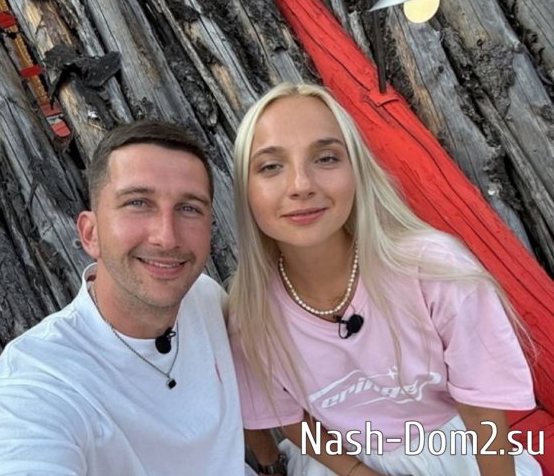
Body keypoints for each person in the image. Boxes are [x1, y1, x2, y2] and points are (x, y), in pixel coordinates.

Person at [228, 83, 542, 476]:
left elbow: (483, 409)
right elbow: (292, 420)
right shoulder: (250, 315)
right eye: (271, 166)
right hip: (343, 463)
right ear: (245, 191)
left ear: (357, 171)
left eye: (326, 158)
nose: (301, 185)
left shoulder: (434, 269)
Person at [0, 120, 252, 475]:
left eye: (189, 208)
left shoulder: (205, 298)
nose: (167, 237)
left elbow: (272, 410)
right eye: (138, 203)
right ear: (91, 233)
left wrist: (280, 460)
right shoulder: (34, 385)